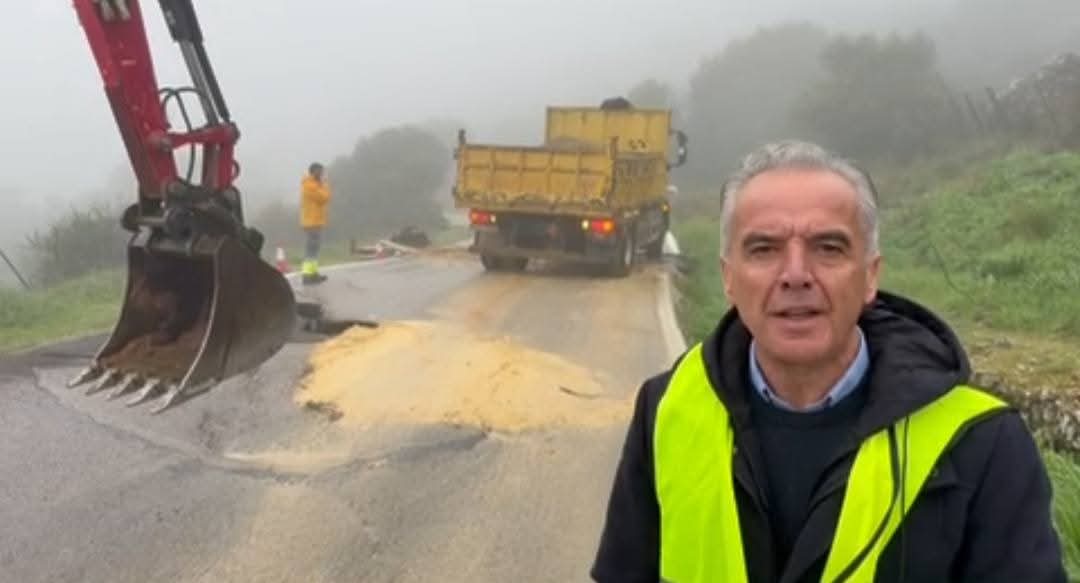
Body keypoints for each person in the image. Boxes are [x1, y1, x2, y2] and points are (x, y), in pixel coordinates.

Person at [591, 140, 1066, 582]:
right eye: (764, 249)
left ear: (870, 276)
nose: (796, 274)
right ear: (729, 278)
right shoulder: (667, 409)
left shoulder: (982, 443)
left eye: (828, 248)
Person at [300, 162, 331, 285]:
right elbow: (324, 198)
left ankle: (313, 274)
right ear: (314, 172)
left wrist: (322, 185)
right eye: (320, 171)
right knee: (311, 250)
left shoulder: (315, 185)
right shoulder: (309, 185)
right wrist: (325, 184)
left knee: (314, 250)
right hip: (311, 222)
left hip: (316, 222)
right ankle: (307, 275)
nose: (322, 174)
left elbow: (324, 198)